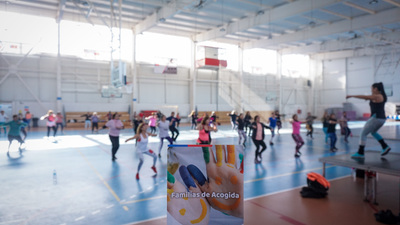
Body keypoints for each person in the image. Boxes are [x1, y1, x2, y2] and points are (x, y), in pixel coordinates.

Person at [347, 82, 391, 158]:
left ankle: (360, 152)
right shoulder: (380, 96)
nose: (371, 90)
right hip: (381, 118)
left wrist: (352, 96)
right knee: (373, 132)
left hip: (376, 118)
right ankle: (385, 146)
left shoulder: (378, 96)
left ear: (375, 89)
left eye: (371, 88)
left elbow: (364, 97)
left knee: (363, 134)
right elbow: (368, 98)